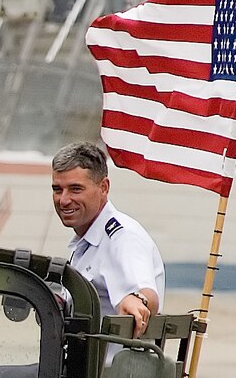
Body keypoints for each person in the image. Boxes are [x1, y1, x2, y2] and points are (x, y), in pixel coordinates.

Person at [49, 142, 164, 336]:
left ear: (104, 187)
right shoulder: (87, 241)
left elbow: (146, 295)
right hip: (76, 361)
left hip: (107, 365)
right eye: (57, 189)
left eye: (76, 189)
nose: (64, 200)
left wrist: (137, 300)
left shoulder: (122, 237)